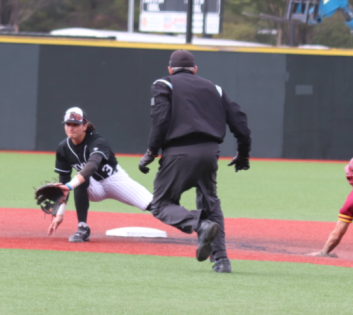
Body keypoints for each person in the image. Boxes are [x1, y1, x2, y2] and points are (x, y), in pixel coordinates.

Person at [138, 49, 252, 273]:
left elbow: (160, 121)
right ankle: (222, 260)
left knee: (161, 205)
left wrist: (151, 152)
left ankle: (200, 226)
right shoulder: (214, 88)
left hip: (178, 153)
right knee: (210, 203)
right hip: (210, 153)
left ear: (170, 69)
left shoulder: (164, 84)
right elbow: (240, 121)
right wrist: (243, 153)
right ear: (195, 70)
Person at [48, 107, 153, 242]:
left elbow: (93, 165)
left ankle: (185, 219)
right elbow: (64, 183)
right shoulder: (63, 148)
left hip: (115, 180)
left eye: (76, 124)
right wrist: (60, 214)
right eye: (68, 124)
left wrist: (69, 186)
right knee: (80, 179)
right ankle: (82, 227)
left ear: (85, 126)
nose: (71, 128)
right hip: (94, 187)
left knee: (154, 205)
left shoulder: (97, 141)